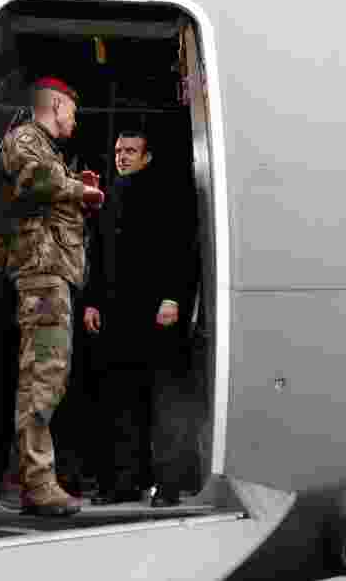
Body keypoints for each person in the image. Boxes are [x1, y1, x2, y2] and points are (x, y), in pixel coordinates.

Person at [0, 76, 105, 516]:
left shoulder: (45, 148)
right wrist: (83, 190)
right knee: (43, 376)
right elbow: (35, 179)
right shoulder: (26, 138)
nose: (74, 122)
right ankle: (38, 484)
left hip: (52, 276)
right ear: (57, 104)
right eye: (72, 112)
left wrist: (77, 190)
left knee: (46, 376)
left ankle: (20, 475)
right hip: (42, 279)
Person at [83, 129, 198, 508]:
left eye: (131, 151)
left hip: (156, 315)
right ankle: (123, 484)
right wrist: (93, 302)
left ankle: (167, 486)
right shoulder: (112, 193)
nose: (123, 156)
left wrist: (173, 297)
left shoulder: (168, 192)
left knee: (162, 402)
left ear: (147, 156)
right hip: (118, 316)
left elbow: (182, 248)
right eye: (119, 150)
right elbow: (98, 254)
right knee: (121, 402)